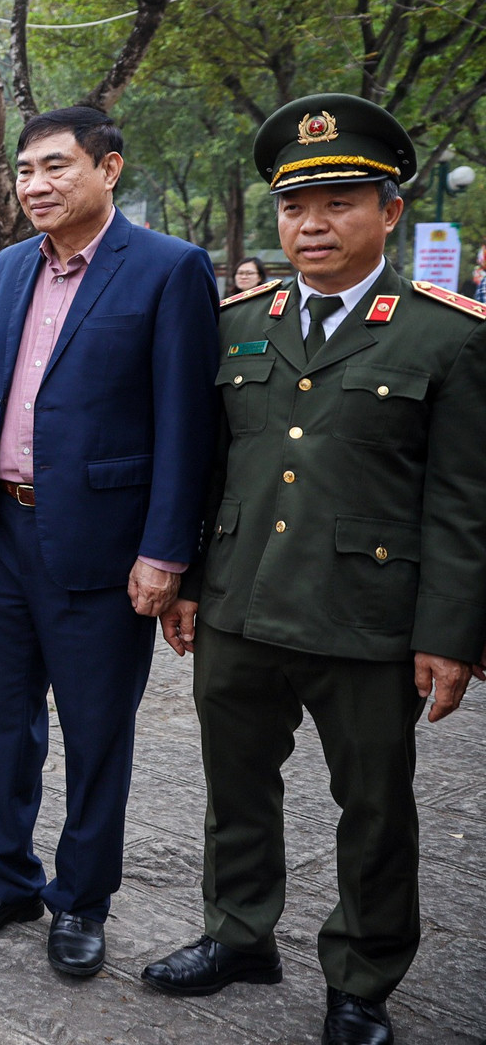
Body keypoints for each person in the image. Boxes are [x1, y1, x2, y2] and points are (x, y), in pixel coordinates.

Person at [143, 95, 486, 1045]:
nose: (314, 225)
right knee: (236, 786)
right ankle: (239, 932)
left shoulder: (447, 336)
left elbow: (463, 501)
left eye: (338, 203)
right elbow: (209, 467)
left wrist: (450, 633)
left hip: (367, 615)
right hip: (242, 602)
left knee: (374, 805)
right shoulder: (239, 324)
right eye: (297, 208)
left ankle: (362, 977)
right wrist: (193, 584)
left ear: (389, 213)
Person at [0, 106, 219, 977]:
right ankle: (4, 876)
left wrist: (167, 551)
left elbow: (187, 424)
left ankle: (81, 897)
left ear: (109, 169)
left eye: (57, 168)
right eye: (25, 171)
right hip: (7, 528)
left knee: (97, 731)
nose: (37, 186)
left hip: (105, 539)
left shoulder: (170, 270)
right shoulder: (13, 267)